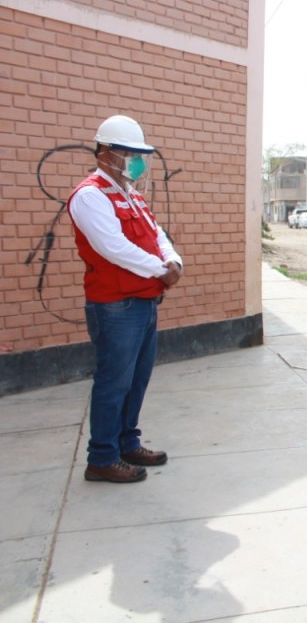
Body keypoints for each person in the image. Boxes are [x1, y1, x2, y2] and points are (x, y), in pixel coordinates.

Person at [68, 115, 183, 483]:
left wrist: (173, 259)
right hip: (116, 307)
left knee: (136, 380)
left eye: (139, 155)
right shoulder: (90, 196)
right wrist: (160, 269)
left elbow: (157, 233)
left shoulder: (129, 195)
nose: (137, 161)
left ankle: (126, 443)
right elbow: (113, 247)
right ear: (105, 152)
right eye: (129, 154)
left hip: (144, 302)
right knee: (113, 382)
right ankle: (102, 458)